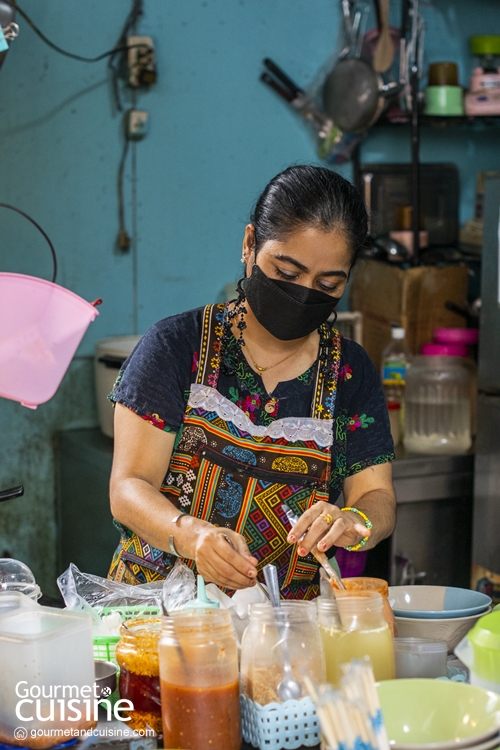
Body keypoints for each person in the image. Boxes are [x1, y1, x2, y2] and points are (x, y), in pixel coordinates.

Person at [108, 165, 396, 599]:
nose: (303, 293)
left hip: (283, 627)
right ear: (249, 245)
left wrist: (357, 522)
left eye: (328, 283)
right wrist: (189, 535)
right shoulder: (177, 346)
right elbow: (128, 488)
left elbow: (376, 494)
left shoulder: (349, 373)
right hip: (159, 618)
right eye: (286, 272)